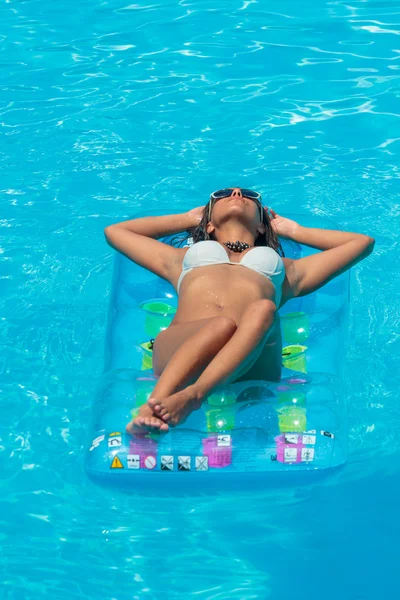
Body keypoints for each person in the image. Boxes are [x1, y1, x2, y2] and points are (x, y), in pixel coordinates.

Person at [104, 187, 374, 435]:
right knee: (220, 324)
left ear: (261, 224)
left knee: (264, 308)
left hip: (251, 360)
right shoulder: (178, 261)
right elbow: (116, 232)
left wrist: (293, 230)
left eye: (250, 195)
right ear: (208, 222)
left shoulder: (289, 270)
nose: (235, 192)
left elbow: (361, 243)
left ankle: (193, 396)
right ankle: (153, 406)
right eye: (221, 195)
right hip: (182, 351)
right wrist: (187, 219)